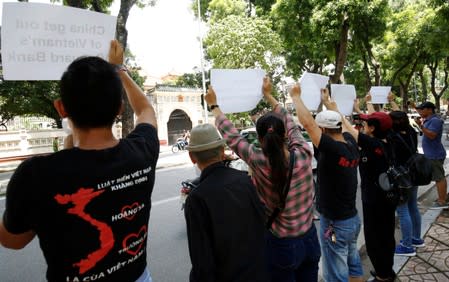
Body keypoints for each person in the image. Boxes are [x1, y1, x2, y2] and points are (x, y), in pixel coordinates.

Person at [0, 40, 159, 282]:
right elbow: (146, 109)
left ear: (61, 108)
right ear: (119, 108)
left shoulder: (36, 176)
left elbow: (13, 240)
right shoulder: (142, 151)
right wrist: (119, 69)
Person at [206, 77, 321, 282]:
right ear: (286, 135)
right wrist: (269, 95)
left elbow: (233, 138)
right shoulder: (304, 153)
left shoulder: (257, 159)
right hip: (310, 239)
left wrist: (214, 106)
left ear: (260, 139)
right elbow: (289, 121)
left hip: (281, 245)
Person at [291, 86, 363, 282]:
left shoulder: (332, 149)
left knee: (336, 272)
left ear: (322, 130)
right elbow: (346, 125)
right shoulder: (350, 143)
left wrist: (295, 96)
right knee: (353, 264)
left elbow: (307, 124)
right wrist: (329, 104)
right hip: (352, 220)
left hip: (335, 225)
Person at [184, 124, 267, 282]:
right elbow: (262, 224)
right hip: (259, 272)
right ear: (222, 152)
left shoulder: (197, 198)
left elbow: (202, 259)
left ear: (192, 157)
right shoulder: (245, 180)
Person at [342, 107, 397, 282]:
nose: (363, 125)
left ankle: (382, 276)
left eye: (366, 123)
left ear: (373, 128)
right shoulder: (389, 140)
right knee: (387, 235)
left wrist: (334, 109)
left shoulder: (373, 144)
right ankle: (387, 270)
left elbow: (349, 130)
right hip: (388, 198)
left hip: (375, 201)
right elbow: (383, 121)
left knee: (374, 239)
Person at [389, 111, 424, 256]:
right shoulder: (411, 131)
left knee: (403, 211)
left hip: (401, 177)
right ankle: (416, 239)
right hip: (413, 173)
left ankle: (407, 245)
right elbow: (401, 116)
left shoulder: (392, 136)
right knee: (413, 207)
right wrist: (392, 102)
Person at [415, 101, 448, 209]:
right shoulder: (429, 119)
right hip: (432, 154)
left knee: (439, 178)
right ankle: (442, 198)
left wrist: (421, 126)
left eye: (422, 109)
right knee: (438, 177)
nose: (420, 111)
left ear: (429, 110)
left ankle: (442, 201)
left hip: (435, 154)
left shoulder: (435, 121)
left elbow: (432, 135)